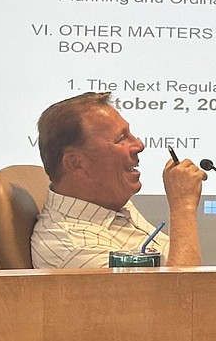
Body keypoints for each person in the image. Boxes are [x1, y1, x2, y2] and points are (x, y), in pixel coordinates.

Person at [31, 91, 205, 268]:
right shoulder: (74, 246)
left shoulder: (107, 202)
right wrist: (184, 206)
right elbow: (181, 293)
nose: (139, 145)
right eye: (122, 138)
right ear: (77, 163)